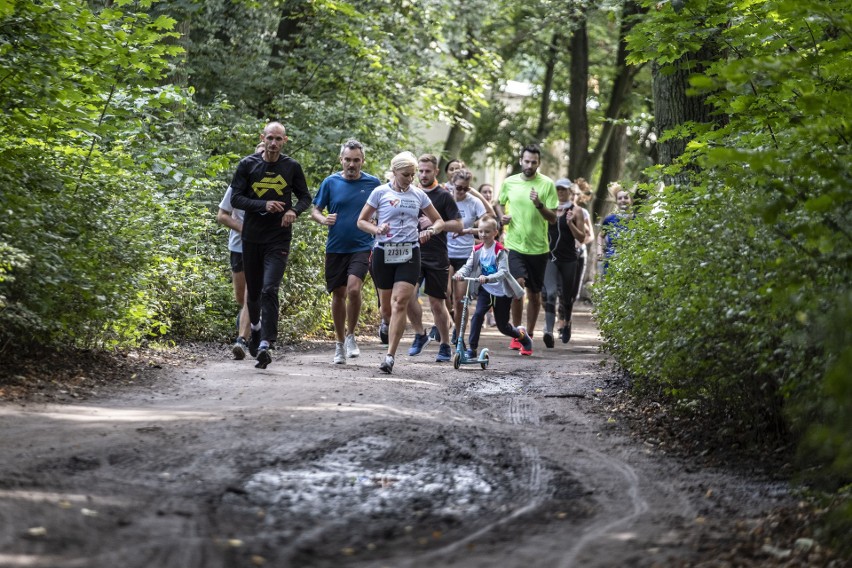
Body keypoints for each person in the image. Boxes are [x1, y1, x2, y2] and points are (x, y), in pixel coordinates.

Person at [230, 122, 312, 369]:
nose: (274, 143)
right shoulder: (247, 165)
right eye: (270, 138)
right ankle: (254, 330)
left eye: (278, 139)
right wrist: (262, 205)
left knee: (269, 289)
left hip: (278, 238)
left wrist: (293, 211)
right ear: (262, 139)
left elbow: (305, 197)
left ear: (285, 140)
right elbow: (235, 198)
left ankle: (266, 342)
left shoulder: (291, 166)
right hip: (252, 238)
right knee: (252, 294)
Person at [357, 151, 445, 374]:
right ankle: (386, 324)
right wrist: (377, 229)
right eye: (406, 174)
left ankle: (390, 356)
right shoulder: (380, 193)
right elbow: (361, 221)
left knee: (400, 303)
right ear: (395, 172)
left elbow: (439, 221)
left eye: (413, 174)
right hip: (383, 253)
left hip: (410, 252)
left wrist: (431, 230)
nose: (411, 179)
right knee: (386, 309)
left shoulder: (419, 195)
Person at [310, 140, 381, 364]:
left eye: (356, 160)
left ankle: (351, 336)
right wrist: (323, 219)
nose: (352, 164)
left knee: (353, 289)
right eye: (348, 160)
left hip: (362, 245)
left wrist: (379, 221)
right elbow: (315, 210)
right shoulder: (330, 182)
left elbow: (383, 207)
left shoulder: (373, 183)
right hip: (336, 247)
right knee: (338, 295)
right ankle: (339, 344)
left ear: (362, 161)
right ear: (341, 160)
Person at [496, 144, 557, 356]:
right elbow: (499, 203)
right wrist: (500, 217)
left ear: (538, 163)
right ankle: (516, 332)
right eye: (526, 161)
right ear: (521, 160)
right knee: (517, 286)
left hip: (539, 248)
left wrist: (539, 205)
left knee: (534, 293)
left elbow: (553, 218)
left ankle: (527, 335)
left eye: (533, 162)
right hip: (514, 244)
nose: (529, 165)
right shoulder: (509, 182)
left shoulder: (547, 184)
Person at [406, 154, 462, 362]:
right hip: (413, 253)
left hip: (437, 255)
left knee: (437, 303)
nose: (423, 175)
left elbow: (459, 225)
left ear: (436, 171)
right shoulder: (411, 194)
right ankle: (420, 334)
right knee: (407, 296)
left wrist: (436, 224)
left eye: (427, 171)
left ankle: (446, 345)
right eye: (420, 171)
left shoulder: (444, 196)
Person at [453, 217, 531, 359]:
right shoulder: (477, 249)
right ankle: (473, 348)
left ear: (495, 232)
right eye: (481, 231)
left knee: (503, 326)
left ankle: (522, 336)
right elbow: (468, 266)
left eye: (487, 232)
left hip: (501, 292)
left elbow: (503, 272)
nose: (483, 235)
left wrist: (488, 278)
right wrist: (460, 273)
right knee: (477, 316)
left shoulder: (500, 251)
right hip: (486, 290)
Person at [216, 142, 264, 360]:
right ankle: (253, 324)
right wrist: (246, 230)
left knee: (250, 295)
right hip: (238, 245)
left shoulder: (276, 184)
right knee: (241, 296)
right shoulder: (238, 184)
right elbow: (222, 215)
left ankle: (241, 340)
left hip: (262, 246)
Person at [447, 169, 493, 346]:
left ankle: (459, 337)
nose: (461, 192)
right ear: (452, 184)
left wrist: (467, 230)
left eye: (465, 189)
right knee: (444, 295)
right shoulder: (445, 199)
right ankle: (447, 321)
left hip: (465, 255)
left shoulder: (473, 202)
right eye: (458, 188)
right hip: (444, 253)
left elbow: (488, 224)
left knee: (460, 300)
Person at [541, 178, 588, 347]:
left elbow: (581, 238)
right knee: (550, 293)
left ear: (570, 191)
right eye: (558, 189)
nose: (560, 192)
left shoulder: (577, 211)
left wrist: (570, 223)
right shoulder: (550, 209)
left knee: (567, 297)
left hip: (569, 259)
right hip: (550, 258)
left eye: (564, 189)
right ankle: (548, 331)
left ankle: (567, 322)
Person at [597, 182, 635, 274]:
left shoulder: (637, 220)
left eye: (626, 197)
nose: (623, 200)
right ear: (616, 201)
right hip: (611, 261)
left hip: (631, 262)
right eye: (620, 198)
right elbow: (600, 236)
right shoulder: (610, 219)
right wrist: (599, 251)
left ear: (631, 200)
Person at [570, 178, 595, 311]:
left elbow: (590, 235)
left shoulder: (583, 213)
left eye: (575, 194)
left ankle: (566, 316)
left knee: (574, 291)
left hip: (579, 254)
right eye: (570, 193)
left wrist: (579, 242)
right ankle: (561, 315)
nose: (572, 196)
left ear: (578, 196)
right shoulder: (557, 210)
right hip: (562, 253)